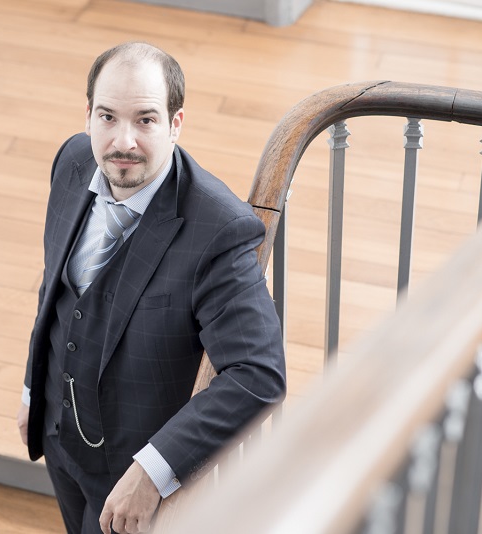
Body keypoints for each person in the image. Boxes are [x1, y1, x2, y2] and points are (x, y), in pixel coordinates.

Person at [17, 41, 286, 534]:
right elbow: (55, 285)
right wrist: (34, 387)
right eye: (107, 117)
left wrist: (153, 472)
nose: (123, 142)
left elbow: (258, 372)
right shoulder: (74, 161)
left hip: (131, 468)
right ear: (88, 116)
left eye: (145, 119)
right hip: (58, 435)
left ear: (175, 124)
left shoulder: (218, 229)